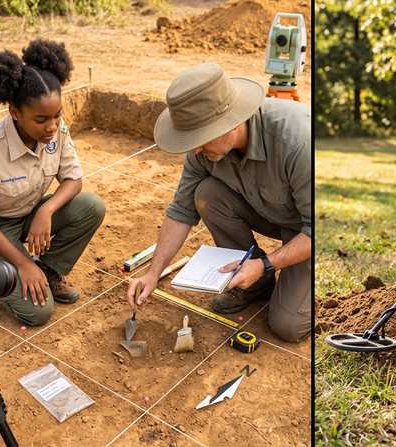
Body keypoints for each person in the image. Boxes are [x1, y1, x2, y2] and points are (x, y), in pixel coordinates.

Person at [126, 62, 311, 342]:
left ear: (233, 121)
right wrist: (153, 274)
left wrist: (267, 263)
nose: (195, 149)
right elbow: (181, 211)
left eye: (200, 138)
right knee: (206, 193)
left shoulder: (298, 144)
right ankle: (255, 283)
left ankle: (272, 274)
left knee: (288, 326)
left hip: (307, 230)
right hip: (271, 212)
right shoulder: (202, 150)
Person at [0, 39, 106, 326]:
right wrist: (23, 264)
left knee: (91, 206)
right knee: (38, 312)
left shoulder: (56, 130)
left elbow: (73, 180)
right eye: (41, 119)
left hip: (28, 214)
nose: (52, 126)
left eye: (57, 115)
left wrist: (46, 211)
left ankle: (46, 270)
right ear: (15, 112)